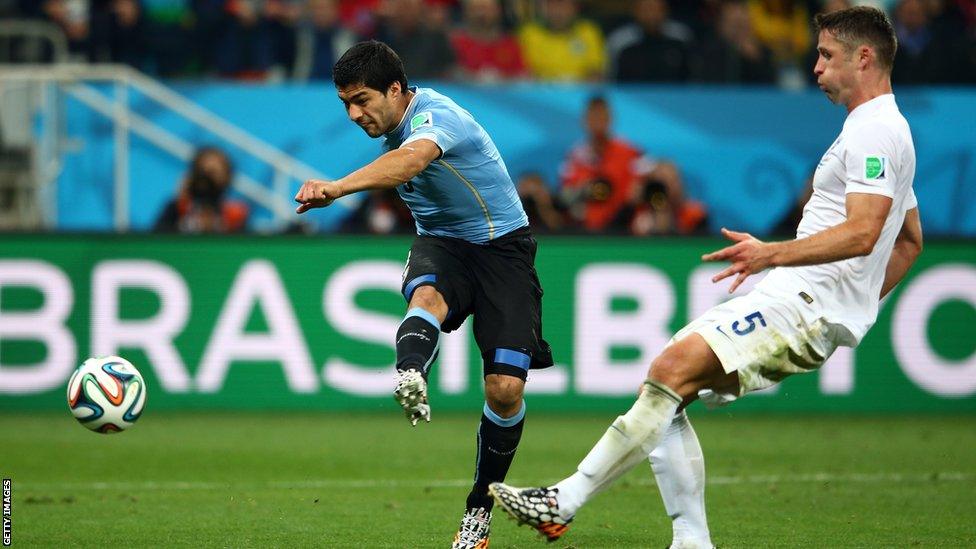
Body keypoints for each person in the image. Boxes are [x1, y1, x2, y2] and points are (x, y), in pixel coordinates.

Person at [489, 7, 922, 548]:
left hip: (803, 299)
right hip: (806, 299)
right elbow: (908, 242)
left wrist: (781, 260)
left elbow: (864, 232)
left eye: (826, 55)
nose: (815, 68)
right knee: (667, 384)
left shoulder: (877, 131)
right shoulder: (880, 130)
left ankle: (564, 499)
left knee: (671, 371)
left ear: (864, 57)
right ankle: (691, 540)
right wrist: (855, 304)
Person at [293, 41, 553, 549]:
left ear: (396, 90)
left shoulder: (439, 117)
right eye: (345, 103)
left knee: (504, 391)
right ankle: (411, 370)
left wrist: (336, 187)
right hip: (443, 244)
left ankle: (480, 507)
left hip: (505, 251)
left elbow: (412, 163)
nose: (354, 113)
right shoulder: (392, 131)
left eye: (362, 99)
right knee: (427, 295)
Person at [154, 146, 249, 233]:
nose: (206, 179)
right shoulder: (176, 209)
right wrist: (180, 206)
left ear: (227, 178)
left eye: (213, 173)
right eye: (201, 171)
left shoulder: (234, 217)